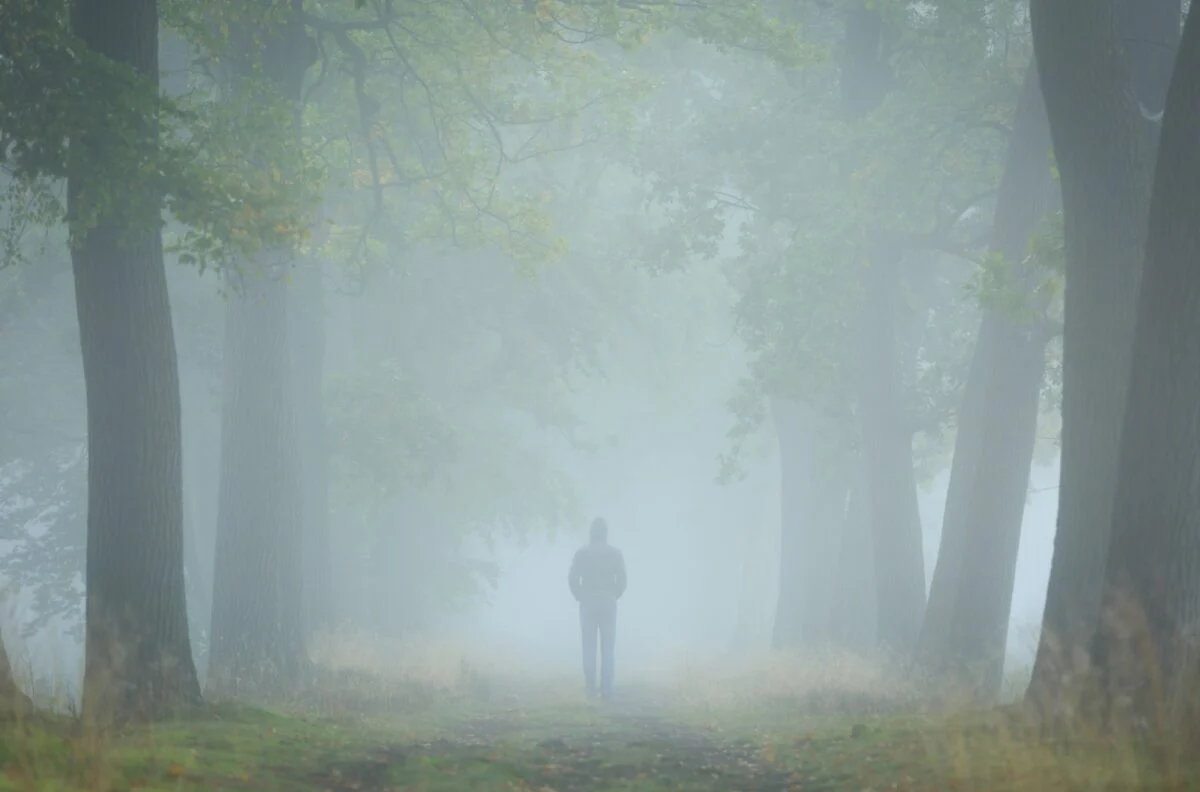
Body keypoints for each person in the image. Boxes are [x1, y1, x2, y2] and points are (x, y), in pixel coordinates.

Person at [568, 517, 626, 699]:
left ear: (591, 532)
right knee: (608, 647)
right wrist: (613, 595)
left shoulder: (581, 553)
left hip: (588, 603)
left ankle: (590, 687)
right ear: (606, 533)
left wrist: (580, 595)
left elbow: (572, 579)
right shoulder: (615, 554)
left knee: (589, 646)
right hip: (608, 603)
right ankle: (607, 688)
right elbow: (622, 581)